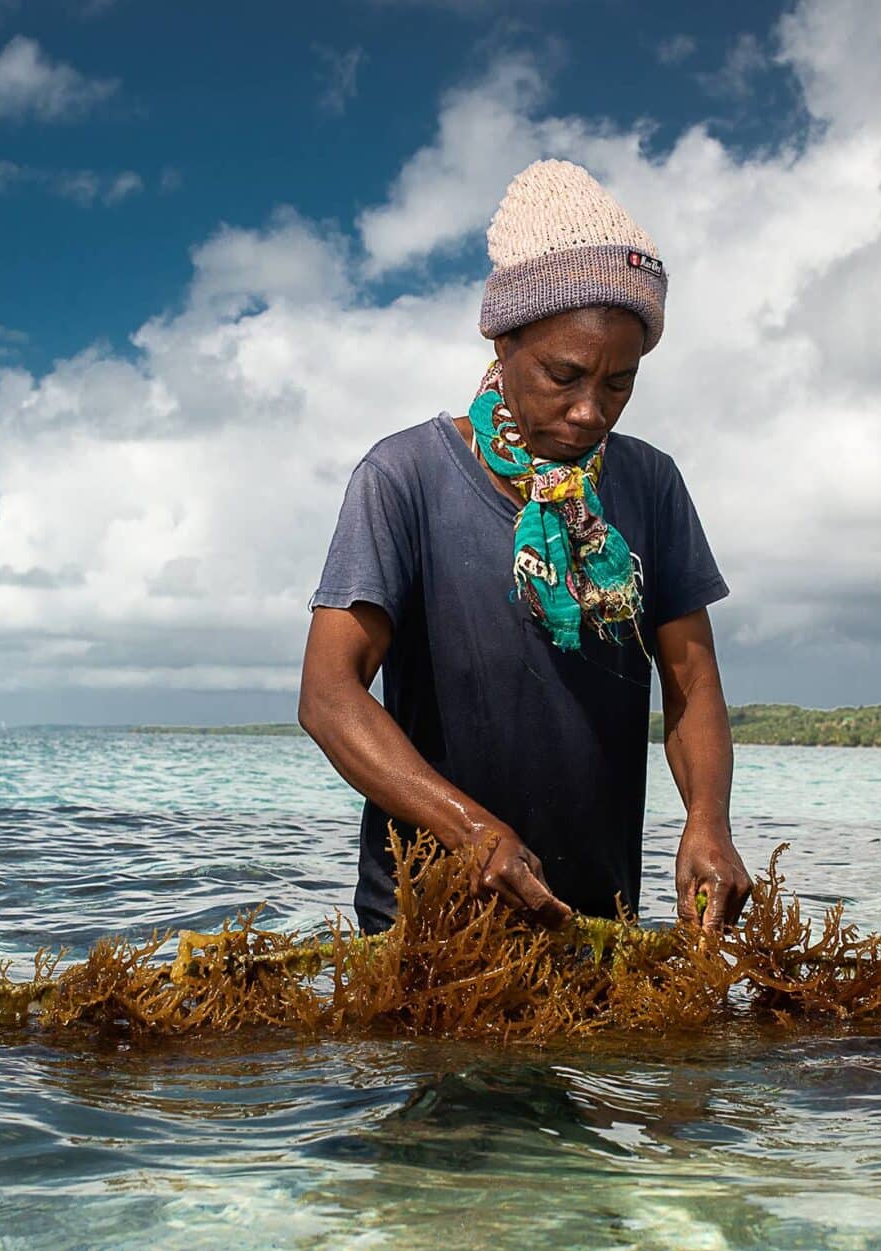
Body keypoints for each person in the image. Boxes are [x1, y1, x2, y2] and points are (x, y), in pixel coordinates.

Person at [299, 159, 750, 937]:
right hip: (426, 933)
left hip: (597, 930)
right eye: (562, 375)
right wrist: (468, 827)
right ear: (503, 338)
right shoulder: (403, 479)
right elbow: (329, 695)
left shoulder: (651, 486)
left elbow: (691, 684)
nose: (587, 411)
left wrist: (708, 819)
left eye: (619, 384)